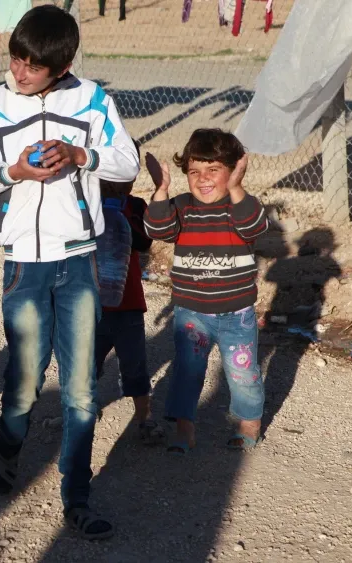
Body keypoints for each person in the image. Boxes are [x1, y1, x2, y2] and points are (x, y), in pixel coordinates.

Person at [0, 4, 140, 540]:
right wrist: (11, 172)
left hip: (79, 259)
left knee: (82, 387)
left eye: (32, 66)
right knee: (26, 380)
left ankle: (77, 496)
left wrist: (81, 154)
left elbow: (127, 163)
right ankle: (7, 448)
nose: (19, 71)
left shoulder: (92, 100)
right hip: (23, 263)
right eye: (15, 59)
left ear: (59, 68)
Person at [143, 128, 270, 455]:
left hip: (237, 313)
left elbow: (256, 227)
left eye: (213, 170)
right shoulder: (182, 207)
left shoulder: (240, 207)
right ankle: (185, 430)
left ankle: (248, 423)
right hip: (192, 311)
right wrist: (160, 191)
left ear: (234, 170)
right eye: (194, 172)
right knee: (187, 370)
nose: (203, 179)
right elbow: (157, 229)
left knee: (242, 370)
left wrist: (237, 189)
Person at [94, 141, 166, 445]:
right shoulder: (83, 204)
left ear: (132, 175)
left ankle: (143, 418)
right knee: (84, 366)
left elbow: (145, 242)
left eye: (121, 171)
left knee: (135, 364)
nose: (113, 181)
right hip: (89, 306)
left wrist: (119, 214)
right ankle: (79, 411)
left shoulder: (134, 206)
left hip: (128, 305)